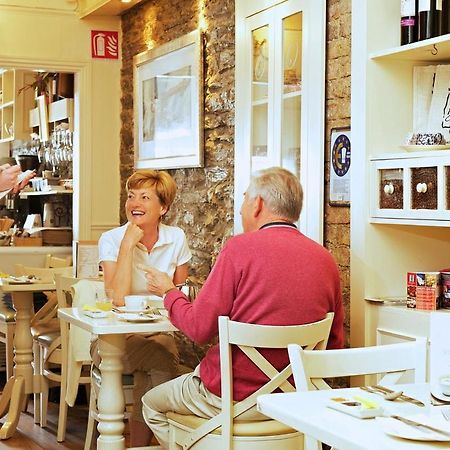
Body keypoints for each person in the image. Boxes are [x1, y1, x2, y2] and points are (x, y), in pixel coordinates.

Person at [139, 166, 344, 449]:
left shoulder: (238, 249)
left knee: (150, 403)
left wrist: (169, 292)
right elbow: (334, 347)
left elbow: (199, 329)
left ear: (258, 204)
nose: (240, 209)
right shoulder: (326, 259)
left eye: (245, 198)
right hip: (296, 401)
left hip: (230, 398)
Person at [96, 169, 192, 447]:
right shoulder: (112, 239)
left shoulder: (176, 238)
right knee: (162, 361)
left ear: (163, 207)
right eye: (131, 196)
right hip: (112, 342)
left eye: (145, 197)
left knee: (155, 362)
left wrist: (169, 291)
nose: (134, 203)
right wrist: (127, 246)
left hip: (159, 333)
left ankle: (140, 445)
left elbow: (179, 294)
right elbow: (117, 299)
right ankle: (156, 443)